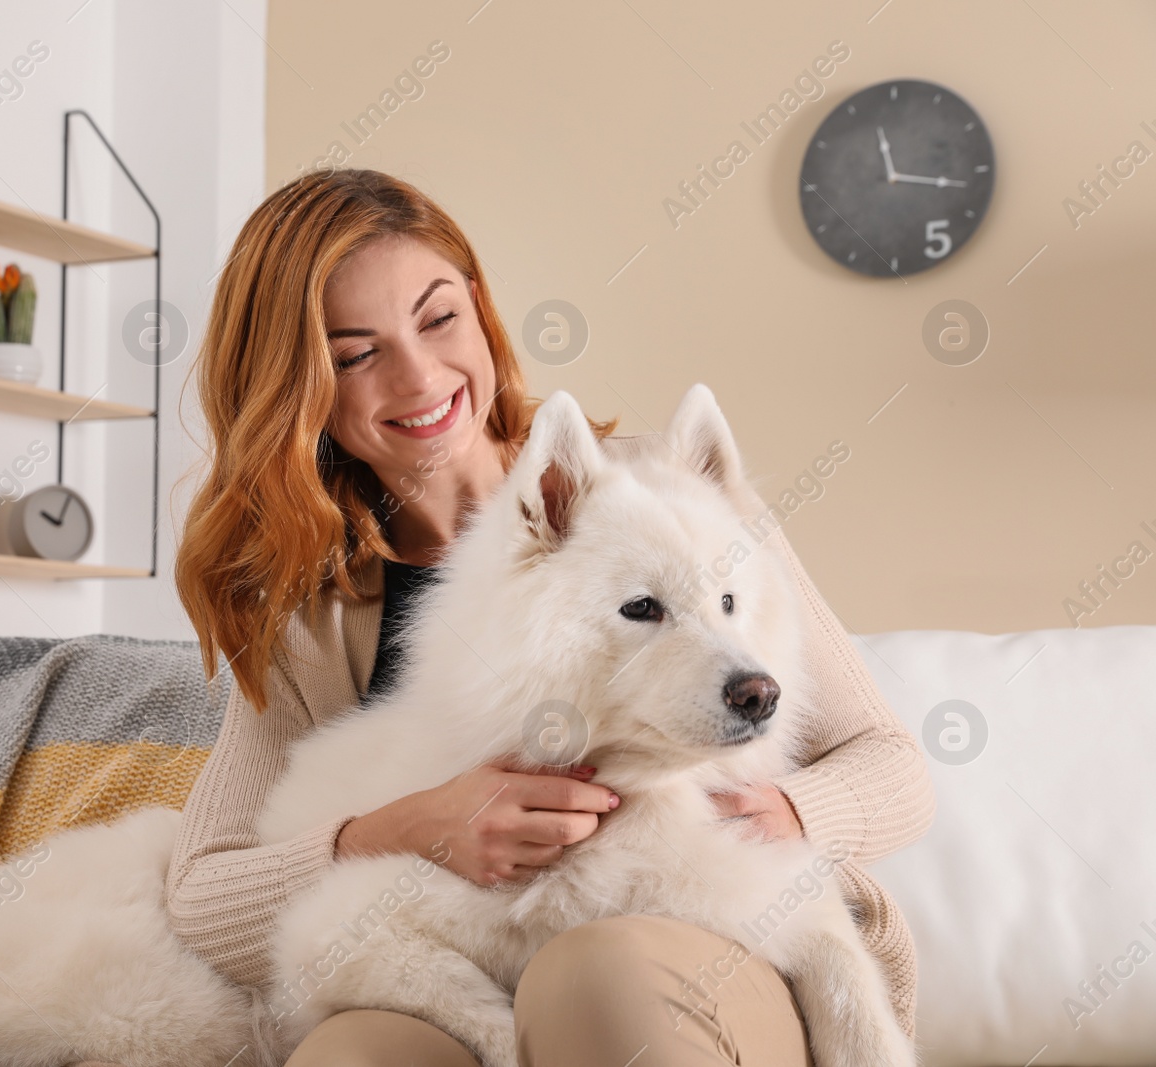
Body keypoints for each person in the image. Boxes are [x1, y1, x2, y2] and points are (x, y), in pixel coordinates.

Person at [168, 168, 935, 1065]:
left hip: (713, 937)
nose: (419, 374)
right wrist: (405, 827)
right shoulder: (312, 613)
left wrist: (769, 816)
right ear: (300, 386)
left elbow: (892, 766)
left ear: (479, 307)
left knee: (590, 977)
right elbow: (203, 894)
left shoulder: (674, 496)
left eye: (437, 316)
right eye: (353, 353)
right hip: (464, 961)